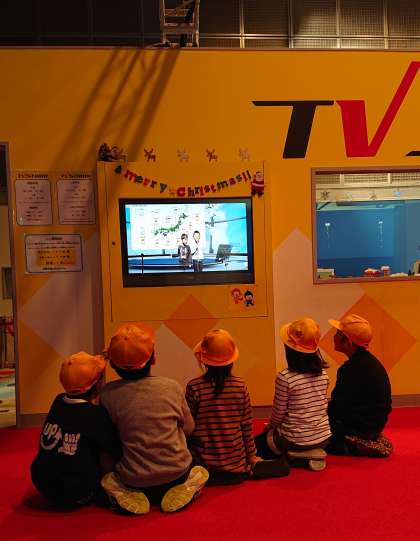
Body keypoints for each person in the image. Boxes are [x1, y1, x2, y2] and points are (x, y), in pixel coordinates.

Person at [100, 323, 208, 514]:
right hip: (177, 474)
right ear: (154, 358)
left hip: (133, 479)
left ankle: (122, 490)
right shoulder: (172, 387)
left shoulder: (107, 394)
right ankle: (187, 485)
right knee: (196, 463)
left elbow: (109, 438)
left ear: (113, 365)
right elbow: (189, 428)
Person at [186, 329, 288, 484]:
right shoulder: (240, 386)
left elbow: (188, 427)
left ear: (204, 360)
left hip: (205, 470)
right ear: (232, 360)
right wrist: (252, 457)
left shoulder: (194, 387)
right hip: (238, 470)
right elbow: (246, 426)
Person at [30, 352, 121, 508]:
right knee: (106, 455)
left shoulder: (58, 401)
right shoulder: (95, 414)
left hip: (41, 482)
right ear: (98, 385)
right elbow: (115, 449)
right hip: (76, 492)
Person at [255, 318, 331, 461]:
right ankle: (309, 453)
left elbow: (278, 414)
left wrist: (269, 427)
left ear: (289, 349)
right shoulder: (323, 375)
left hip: (293, 440)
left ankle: (295, 455)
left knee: (257, 444)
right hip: (323, 439)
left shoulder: (285, 377)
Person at [327, 314, 393, 457]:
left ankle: (348, 443)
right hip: (375, 425)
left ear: (348, 342)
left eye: (338, 333)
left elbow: (337, 407)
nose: (334, 336)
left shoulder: (349, 369)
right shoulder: (372, 363)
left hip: (361, 428)